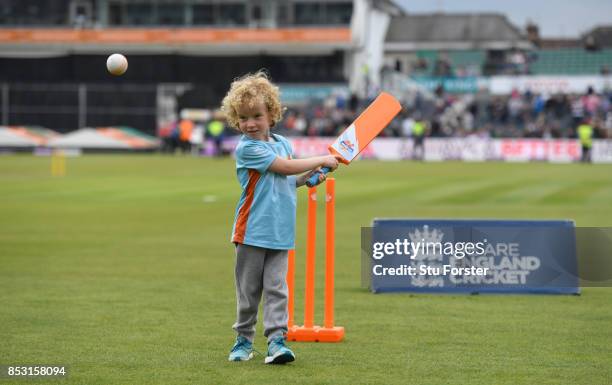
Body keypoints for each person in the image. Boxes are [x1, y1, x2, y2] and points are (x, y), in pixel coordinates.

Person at [221, 71, 339, 364]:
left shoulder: (283, 143)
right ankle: (243, 341)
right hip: (251, 231)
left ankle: (277, 342)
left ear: (271, 114)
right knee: (249, 293)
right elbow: (283, 167)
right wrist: (321, 160)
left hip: (280, 230)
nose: (250, 123)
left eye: (257, 116)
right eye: (243, 117)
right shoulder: (247, 148)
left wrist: (308, 178)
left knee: (277, 290)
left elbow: (286, 179)